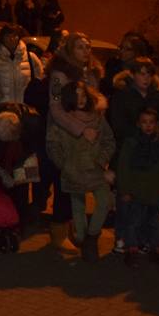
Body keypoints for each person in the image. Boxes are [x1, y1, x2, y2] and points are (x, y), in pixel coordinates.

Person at [45, 80, 115, 262]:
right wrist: (65, 164)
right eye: (77, 96)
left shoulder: (97, 118)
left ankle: (91, 237)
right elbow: (52, 145)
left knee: (104, 201)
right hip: (73, 171)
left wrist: (101, 161)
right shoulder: (64, 120)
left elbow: (109, 141)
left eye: (84, 95)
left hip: (95, 169)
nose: (81, 99)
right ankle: (84, 240)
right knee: (78, 208)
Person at [114, 107, 159, 268]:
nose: (148, 126)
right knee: (133, 221)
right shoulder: (132, 143)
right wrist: (125, 190)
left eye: (152, 122)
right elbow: (123, 167)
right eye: (144, 122)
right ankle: (132, 250)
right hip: (137, 190)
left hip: (155, 190)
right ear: (138, 124)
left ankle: (155, 248)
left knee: (154, 221)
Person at [108, 58, 159, 147]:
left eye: (149, 74)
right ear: (132, 75)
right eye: (142, 74)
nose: (146, 77)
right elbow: (118, 125)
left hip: (156, 145)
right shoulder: (122, 96)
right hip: (130, 145)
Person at [0, 25, 40, 107]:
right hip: (4, 108)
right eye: (8, 36)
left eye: (14, 36)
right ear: (2, 38)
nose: (11, 39)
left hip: (26, 107)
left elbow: (39, 78)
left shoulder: (30, 57)